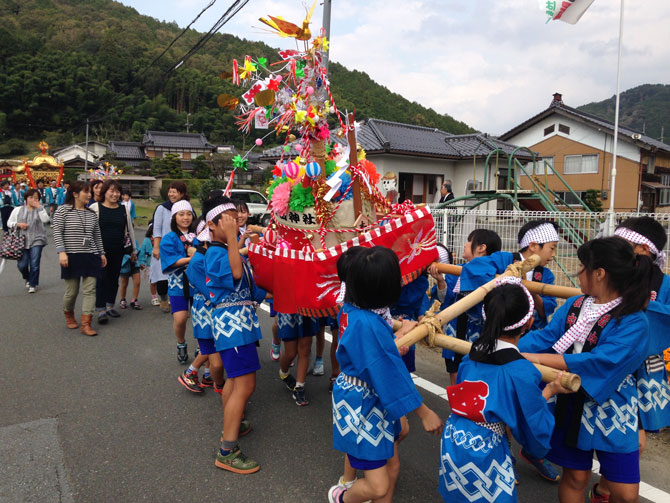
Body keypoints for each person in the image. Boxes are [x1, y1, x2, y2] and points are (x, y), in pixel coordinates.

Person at [519, 237, 653, 503]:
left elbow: (600, 361)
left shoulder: (635, 320)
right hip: (570, 401)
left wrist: (534, 357)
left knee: (626, 493)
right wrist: (506, 345)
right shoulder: (576, 305)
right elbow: (548, 337)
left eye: (582, 267)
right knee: (575, 477)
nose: (578, 272)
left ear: (600, 273)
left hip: (614, 406)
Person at [328, 246, 443, 503]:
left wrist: (398, 336)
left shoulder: (353, 308)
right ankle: (341, 497)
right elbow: (386, 371)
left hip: (364, 395)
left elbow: (376, 352)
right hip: (364, 402)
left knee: (390, 458)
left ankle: (348, 485)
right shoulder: (367, 322)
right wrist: (424, 412)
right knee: (378, 486)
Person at [438, 279, 569, 503]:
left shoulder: (471, 358)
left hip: (454, 438)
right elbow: (532, 422)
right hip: (484, 445)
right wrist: (550, 390)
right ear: (528, 323)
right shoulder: (520, 371)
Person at [587, 218, 670, 503]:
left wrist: (642, 306)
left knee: (636, 442)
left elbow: (665, 322)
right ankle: (605, 488)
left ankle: (604, 489)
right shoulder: (616, 272)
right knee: (625, 439)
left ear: (645, 249)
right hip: (613, 361)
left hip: (645, 368)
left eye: (629, 245)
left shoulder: (664, 283)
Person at [204, 195, 269, 474]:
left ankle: (231, 426)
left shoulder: (227, 249)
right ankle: (227, 450)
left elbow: (255, 289)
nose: (234, 222)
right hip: (233, 329)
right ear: (211, 224)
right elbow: (234, 273)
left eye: (236, 217)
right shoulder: (215, 253)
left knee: (235, 383)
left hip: (240, 327)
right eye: (227, 219)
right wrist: (233, 237)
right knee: (245, 386)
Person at [444, 229, 502, 384]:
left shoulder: (495, 274)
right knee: (455, 371)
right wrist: (440, 281)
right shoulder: (455, 270)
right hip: (456, 330)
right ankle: (457, 408)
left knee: (478, 378)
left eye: (469, 241)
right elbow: (445, 298)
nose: (465, 244)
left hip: (478, 334)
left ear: (481, 247)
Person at [52, 181, 106, 336]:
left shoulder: (91, 214)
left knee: (90, 290)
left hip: (90, 255)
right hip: (71, 256)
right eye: (86, 192)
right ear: (75, 194)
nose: (89, 195)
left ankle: (86, 323)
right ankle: (68, 314)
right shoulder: (63, 211)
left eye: (90, 192)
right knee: (72, 292)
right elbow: (57, 232)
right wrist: (61, 252)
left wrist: (101, 253)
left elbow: (97, 235)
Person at [180, 219, 225, 394]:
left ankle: (202, 375)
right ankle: (212, 383)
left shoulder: (209, 255)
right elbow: (212, 292)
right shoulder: (198, 260)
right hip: (205, 310)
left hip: (212, 310)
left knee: (212, 348)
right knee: (214, 354)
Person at [90, 180, 137, 324]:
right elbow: (89, 231)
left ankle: (110, 305)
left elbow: (129, 230)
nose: (115, 194)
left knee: (113, 278)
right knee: (101, 279)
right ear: (104, 192)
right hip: (99, 251)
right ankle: (100, 309)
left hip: (118, 250)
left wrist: (134, 250)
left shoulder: (123, 210)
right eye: (112, 191)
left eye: (117, 191)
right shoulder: (95, 208)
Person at [159, 199, 197, 365]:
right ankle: (181, 342)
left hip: (198, 283)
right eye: (181, 214)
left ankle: (201, 346)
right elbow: (170, 261)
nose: (185, 217)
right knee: (181, 318)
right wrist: (191, 258)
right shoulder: (169, 238)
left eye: (189, 214)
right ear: (174, 217)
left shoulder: (200, 235)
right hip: (178, 283)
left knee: (200, 318)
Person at [151, 181, 190, 313]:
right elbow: (156, 229)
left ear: (182, 194)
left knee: (183, 275)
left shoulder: (187, 208)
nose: (171, 194)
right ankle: (163, 297)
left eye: (175, 191)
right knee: (162, 275)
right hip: (165, 246)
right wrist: (156, 247)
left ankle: (182, 304)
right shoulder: (162, 208)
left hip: (182, 246)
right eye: (170, 191)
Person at [8, 188, 50, 293]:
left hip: (37, 238)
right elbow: (9, 222)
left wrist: (40, 208)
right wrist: (18, 224)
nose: (33, 200)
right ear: (26, 198)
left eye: (36, 198)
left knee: (35, 262)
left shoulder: (40, 209)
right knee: (22, 265)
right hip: (21, 240)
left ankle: (33, 284)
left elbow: (46, 220)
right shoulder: (18, 209)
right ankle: (27, 277)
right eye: (31, 197)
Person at [118, 238, 143, 310]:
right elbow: (118, 252)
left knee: (137, 282)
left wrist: (141, 261)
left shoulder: (133, 239)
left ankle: (134, 300)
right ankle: (123, 299)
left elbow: (138, 250)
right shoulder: (120, 238)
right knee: (124, 283)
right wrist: (129, 257)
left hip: (135, 263)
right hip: (125, 264)